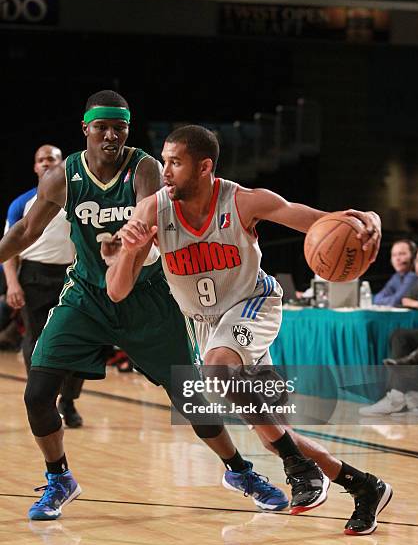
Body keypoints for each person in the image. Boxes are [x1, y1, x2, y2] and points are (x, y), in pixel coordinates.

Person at [0, 90, 301, 522]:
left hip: (148, 298)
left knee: (193, 399)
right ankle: (59, 477)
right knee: (37, 393)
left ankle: (240, 471)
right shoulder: (62, 177)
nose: (111, 136)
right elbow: (26, 230)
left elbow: (147, 214)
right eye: (102, 127)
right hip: (87, 295)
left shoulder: (145, 168)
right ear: (85, 128)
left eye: (119, 128)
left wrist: (124, 246)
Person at [107, 124, 393, 536]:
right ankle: (363, 485)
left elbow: (325, 223)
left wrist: (370, 219)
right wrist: (131, 249)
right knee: (274, 430)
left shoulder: (242, 201)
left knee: (217, 369)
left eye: (175, 162)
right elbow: (117, 292)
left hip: (253, 305)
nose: (165, 170)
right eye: (164, 161)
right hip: (206, 326)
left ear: (204, 167)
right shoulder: (152, 210)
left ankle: (298, 469)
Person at [2, 145, 84, 428]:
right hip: (34, 276)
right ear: (35, 167)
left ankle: (69, 401)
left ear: (62, 165)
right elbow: (11, 248)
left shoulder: (76, 198)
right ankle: (41, 402)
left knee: (79, 342)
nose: (46, 162)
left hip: (73, 275)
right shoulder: (21, 203)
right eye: (41, 159)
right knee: (36, 341)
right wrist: (12, 282)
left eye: (52, 158)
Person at [360, 246, 418, 416]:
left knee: (403, 336)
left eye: (403, 254)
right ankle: (402, 396)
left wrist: (416, 304)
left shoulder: (411, 278)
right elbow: (388, 299)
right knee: (399, 335)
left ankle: (408, 368)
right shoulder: (417, 282)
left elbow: (403, 300)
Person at [373, 239, 417, 307]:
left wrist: (387, 300)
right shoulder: (396, 277)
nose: (397, 258)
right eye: (394, 255)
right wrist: (391, 300)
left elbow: (396, 301)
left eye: (402, 254)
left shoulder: (413, 276)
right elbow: (376, 299)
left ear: (413, 257)